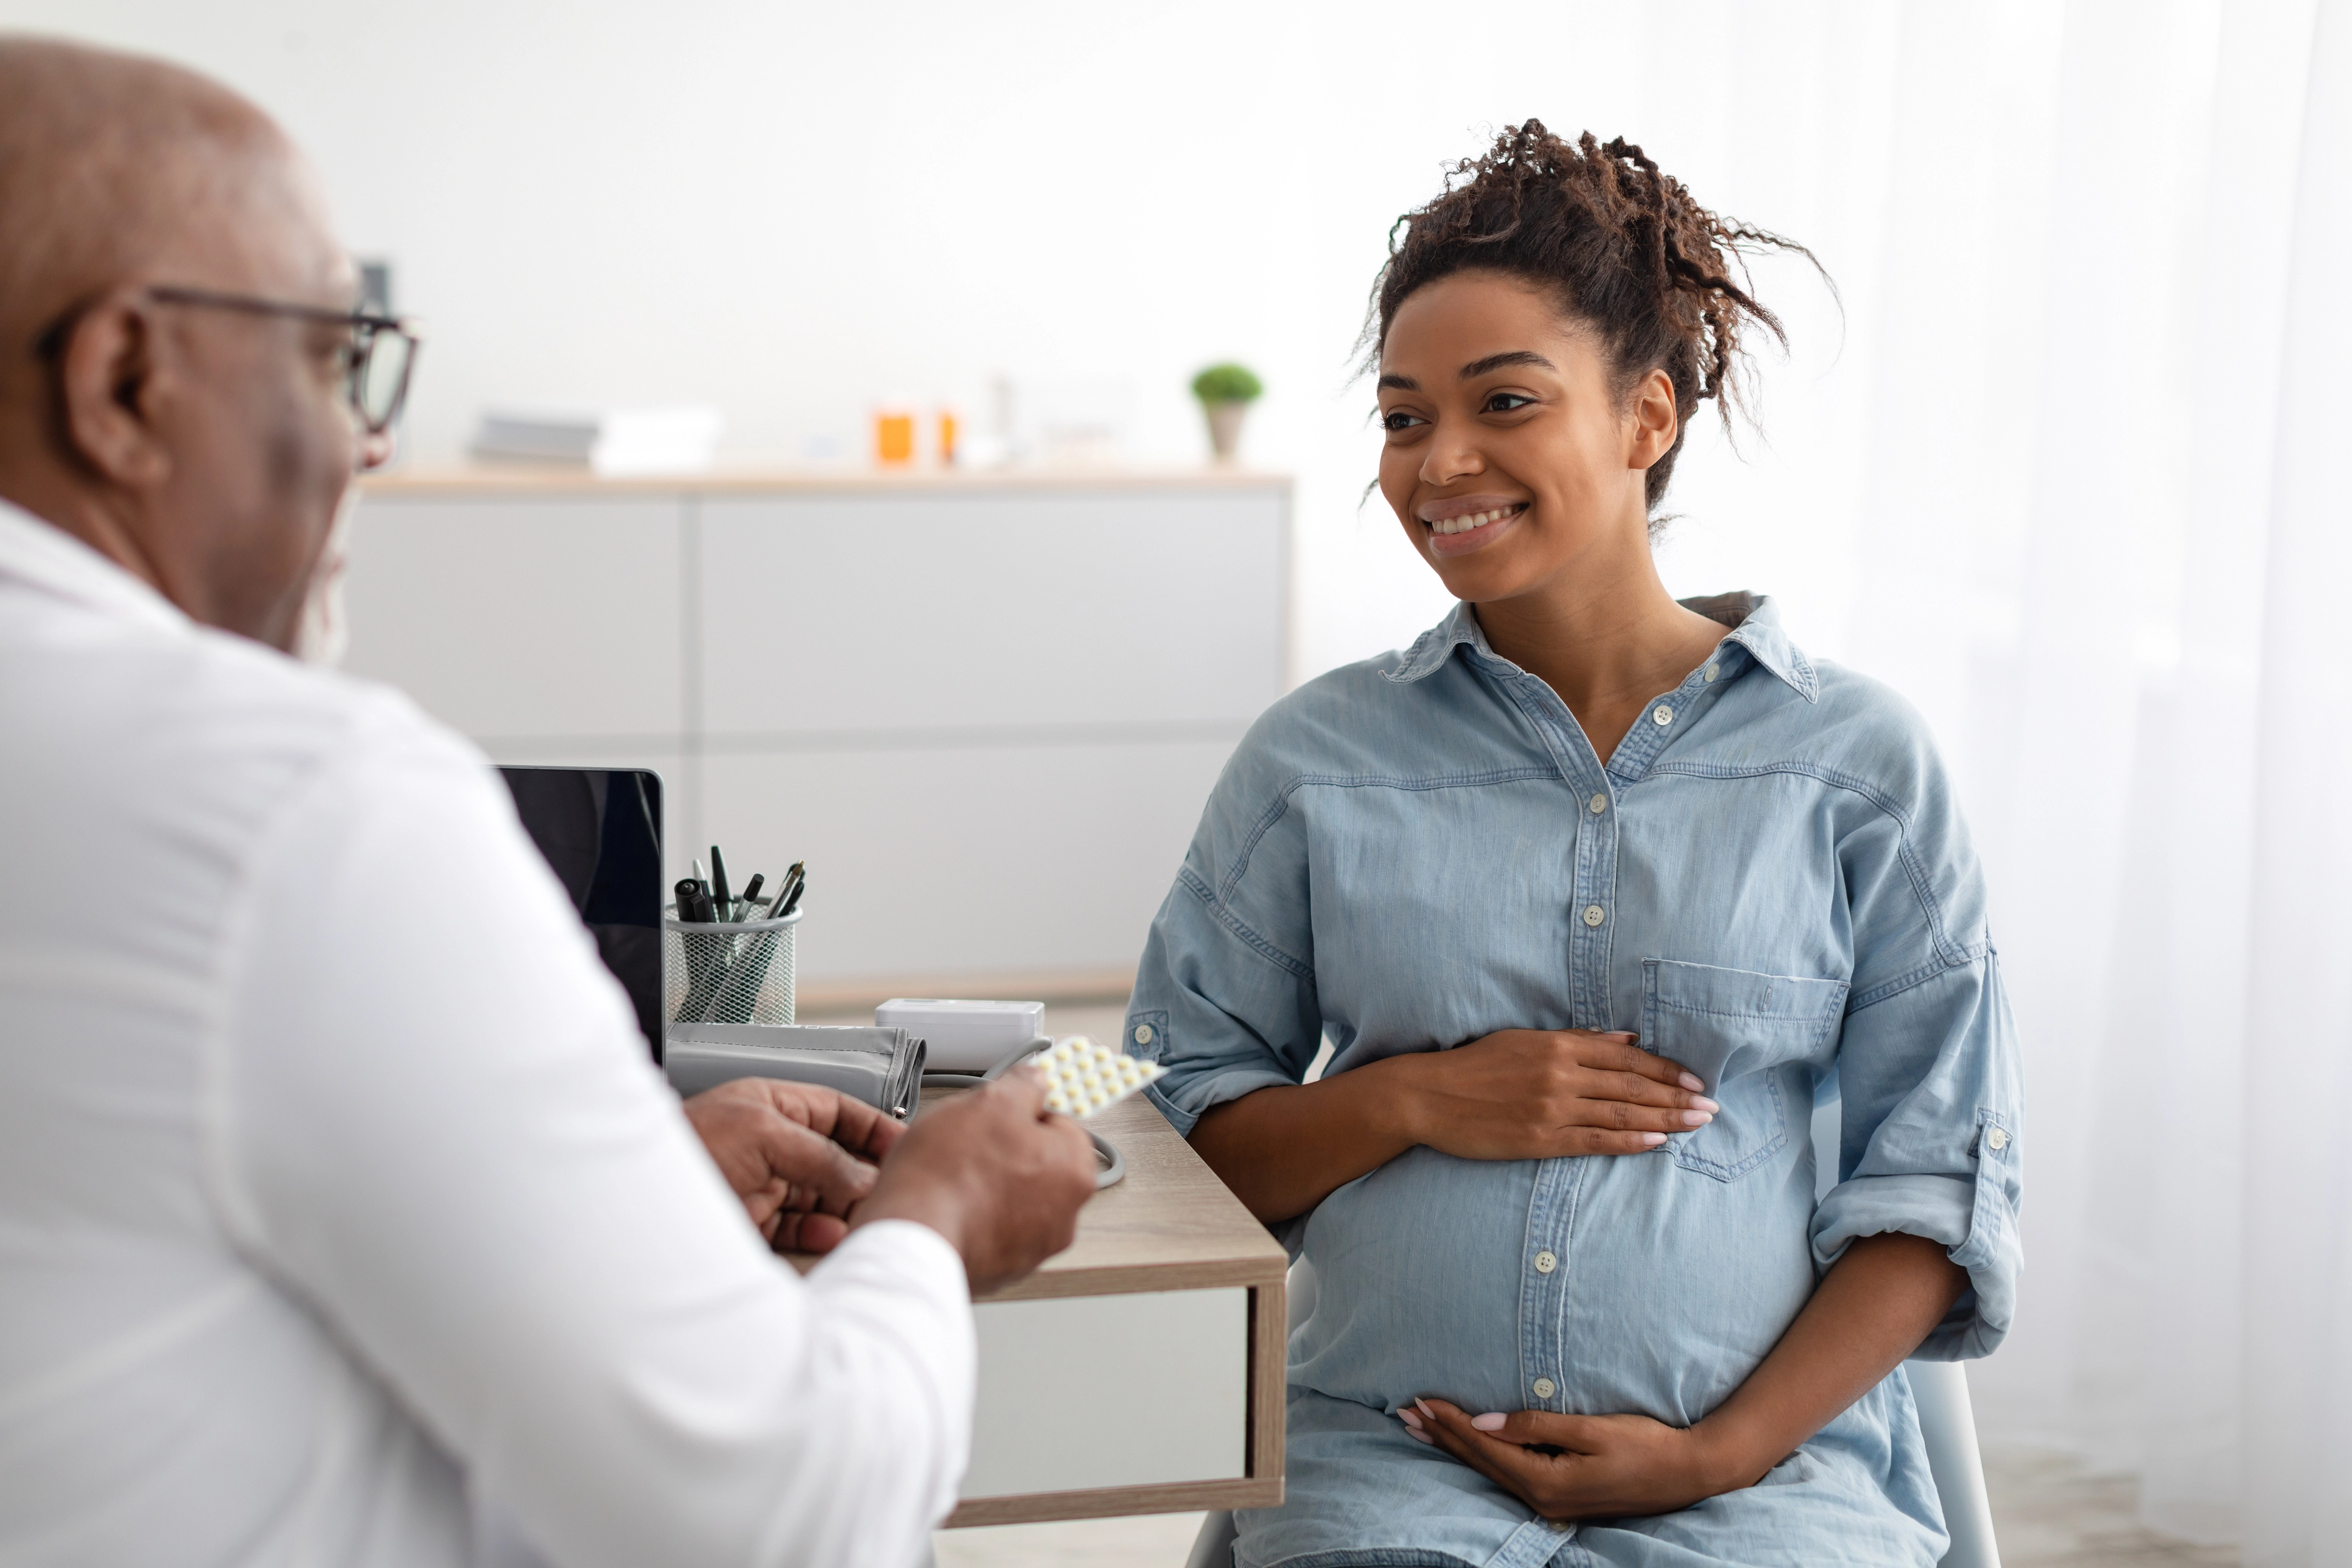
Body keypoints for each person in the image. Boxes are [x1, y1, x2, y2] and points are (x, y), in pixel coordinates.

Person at [0, 37, 1097, 1568]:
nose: (368, 436)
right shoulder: (302, 810)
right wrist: (940, 1217)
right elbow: (780, 1510)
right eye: (335, 355)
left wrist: (613, 1189)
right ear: (124, 380)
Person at [1127, 124, 2023, 1567]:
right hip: (1381, 1466)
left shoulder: (1857, 767)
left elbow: (1940, 1180)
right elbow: (1152, 1106)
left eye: (1505, 401)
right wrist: (1416, 1099)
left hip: (1766, 1486)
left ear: (1646, 417)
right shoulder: (1312, 763)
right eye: (1406, 415)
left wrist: (1720, 1450)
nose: (1440, 462)